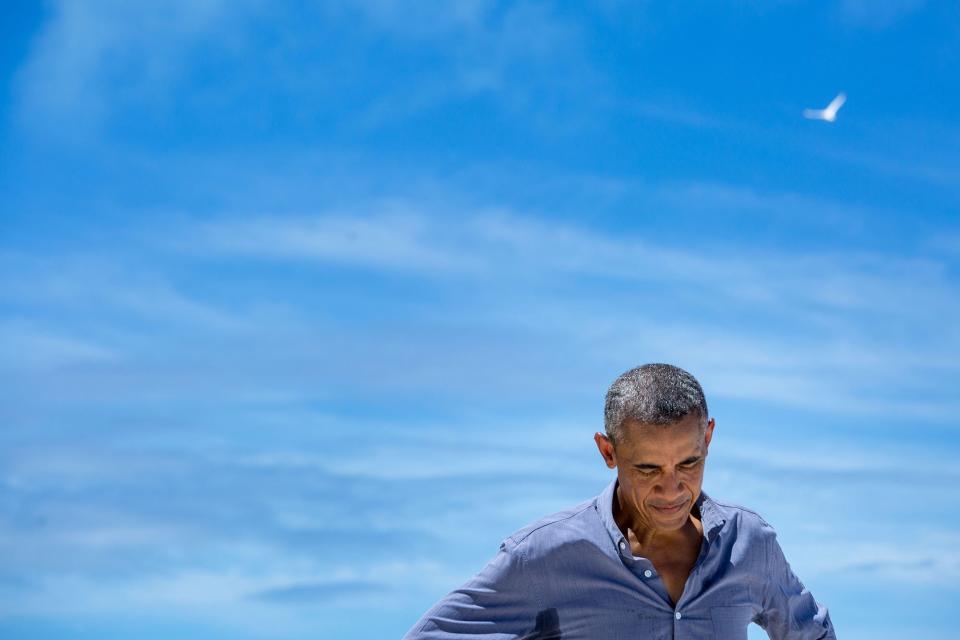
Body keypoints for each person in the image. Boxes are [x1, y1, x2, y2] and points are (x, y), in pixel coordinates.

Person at [403, 363, 837, 639]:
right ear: (608, 452)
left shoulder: (749, 543)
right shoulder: (546, 554)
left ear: (708, 438)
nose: (672, 490)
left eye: (689, 463)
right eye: (648, 470)